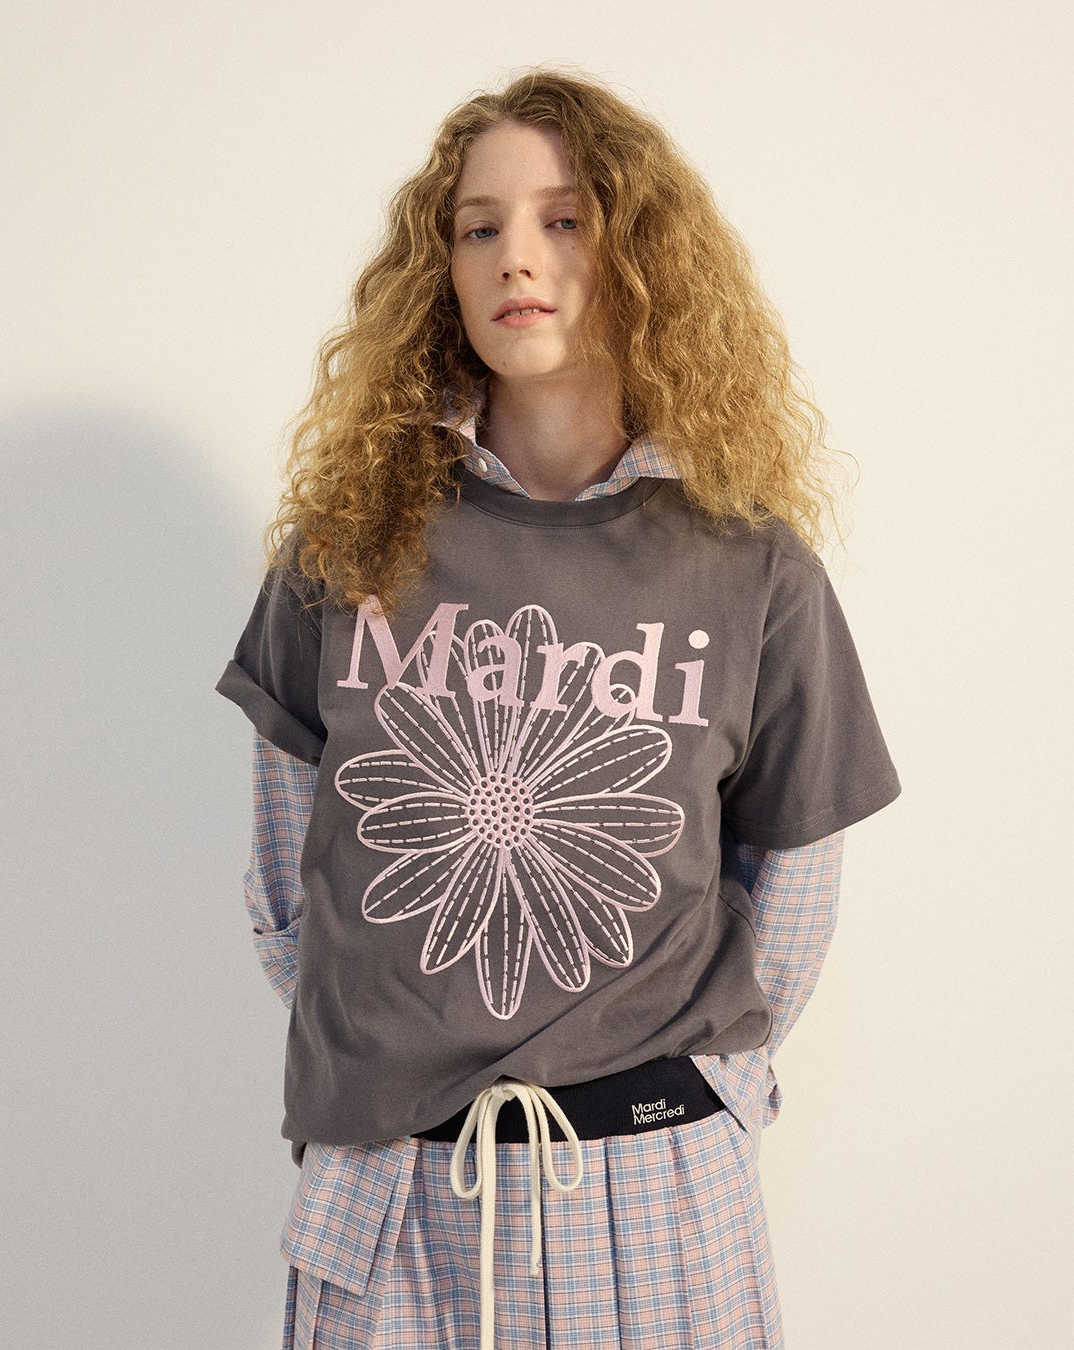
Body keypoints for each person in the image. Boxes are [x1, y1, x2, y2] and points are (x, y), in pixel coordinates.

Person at [218, 69, 900, 1350]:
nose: (515, 257)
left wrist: (708, 1098)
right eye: (478, 227)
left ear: (640, 253)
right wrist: (398, 1048)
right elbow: (286, 872)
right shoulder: (345, 543)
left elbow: (793, 884)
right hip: (386, 1198)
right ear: (441, 267)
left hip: (651, 1197)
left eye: (565, 218)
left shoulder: (751, 566)